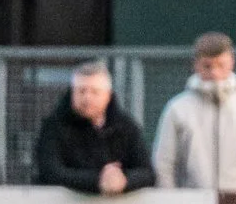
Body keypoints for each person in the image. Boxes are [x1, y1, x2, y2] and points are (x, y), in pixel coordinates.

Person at [152, 31, 236, 194]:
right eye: (207, 66)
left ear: (231, 63)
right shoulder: (177, 109)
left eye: (221, 65)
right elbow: (164, 163)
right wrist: (171, 202)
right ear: (196, 65)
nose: (214, 72)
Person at [32, 61, 154, 195]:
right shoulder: (54, 126)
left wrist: (123, 180)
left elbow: (147, 173)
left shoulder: (125, 127)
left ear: (108, 95)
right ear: (72, 93)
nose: (87, 98)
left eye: (95, 92)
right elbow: (51, 172)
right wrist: (98, 180)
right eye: (81, 91)